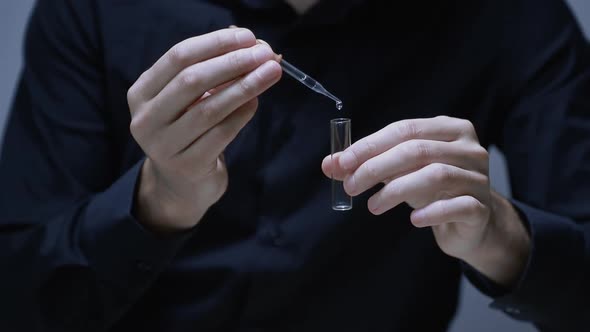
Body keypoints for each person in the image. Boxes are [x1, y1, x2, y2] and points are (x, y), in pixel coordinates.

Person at [0, 0, 588, 331]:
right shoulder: (97, 9)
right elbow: (20, 299)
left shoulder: (515, 18)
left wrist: (501, 235)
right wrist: (160, 198)